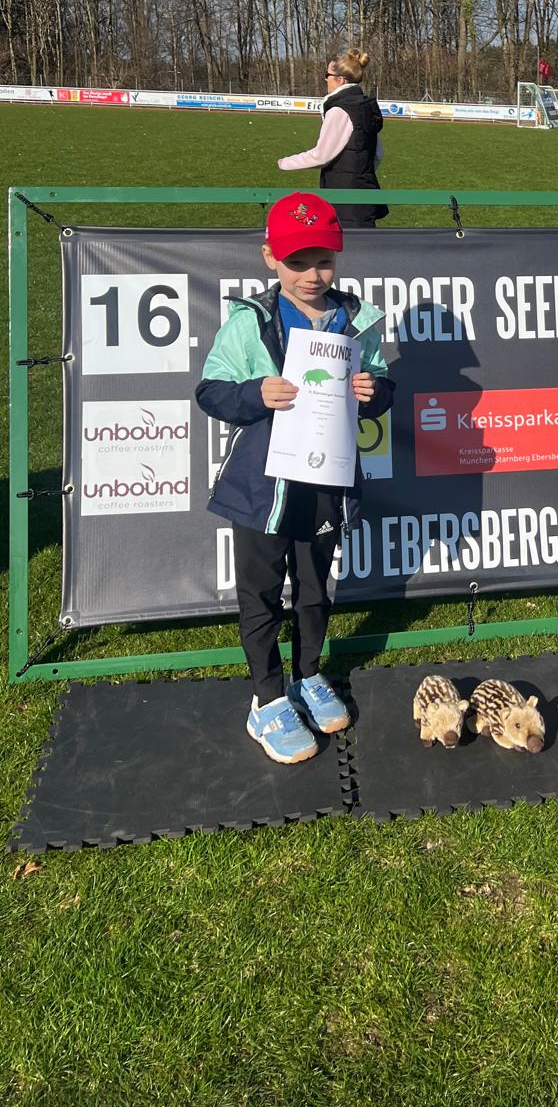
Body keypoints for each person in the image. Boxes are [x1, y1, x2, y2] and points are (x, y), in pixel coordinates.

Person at [195, 191, 395, 764]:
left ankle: (307, 675)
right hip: (262, 488)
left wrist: (374, 391)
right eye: (297, 261)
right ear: (270, 258)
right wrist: (254, 394)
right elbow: (210, 390)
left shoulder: (356, 320)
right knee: (261, 593)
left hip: (326, 479)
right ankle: (267, 698)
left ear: (339, 255)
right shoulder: (251, 322)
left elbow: (382, 385)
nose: (312, 274)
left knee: (313, 587)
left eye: (324, 260)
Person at [278, 48, 388, 229]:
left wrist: (284, 163)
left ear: (340, 79)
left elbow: (321, 155)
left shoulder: (339, 110)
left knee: (343, 245)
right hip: (365, 195)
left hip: (344, 199)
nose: (325, 80)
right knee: (365, 244)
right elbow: (378, 154)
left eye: (327, 75)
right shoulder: (364, 107)